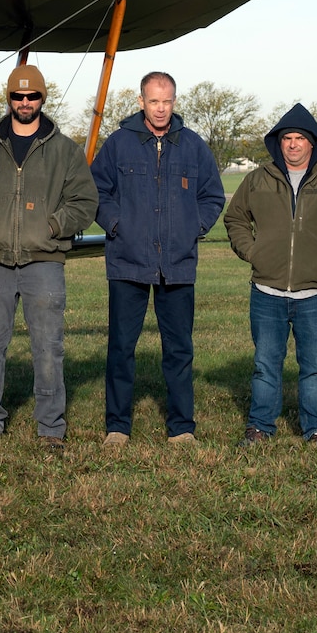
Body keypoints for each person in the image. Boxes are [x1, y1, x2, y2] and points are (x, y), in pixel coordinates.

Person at [0, 64, 98, 452]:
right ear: (9, 99)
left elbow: (85, 201)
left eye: (31, 96)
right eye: (18, 96)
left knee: (48, 348)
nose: (24, 102)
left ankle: (51, 428)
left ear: (42, 99)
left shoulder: (65, 150)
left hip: (45, 263)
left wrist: (54, 226)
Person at [223, 104, 317, 450]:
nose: (292, 144)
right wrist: (254, 252)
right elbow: (235, 219)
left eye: (299, 139)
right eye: (287, 138)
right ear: (278, 143)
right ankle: (260, 427)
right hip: (266, 291)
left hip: (315, 293)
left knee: (315, 367)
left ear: (312, 143)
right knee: (265, 364)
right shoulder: (258, 179)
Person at [90, 72, 225, 447]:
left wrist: (192, 227)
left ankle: (181, 427)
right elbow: (97, 191)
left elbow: (213, 196)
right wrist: (117, 225)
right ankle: (117, 426)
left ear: (175, 102)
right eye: (153, 101)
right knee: (121, 348)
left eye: (166, 101)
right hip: (128, 262)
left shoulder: (194, 146)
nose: (161, 108)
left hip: (178, 264)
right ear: (140, 102)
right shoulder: (118, 144)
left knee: (179, 349)